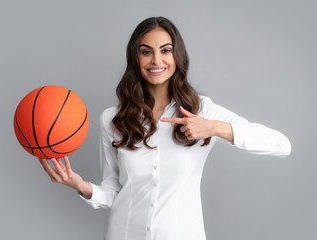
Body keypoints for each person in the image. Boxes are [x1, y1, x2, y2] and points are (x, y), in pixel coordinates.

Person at [38, 16, 291, 240]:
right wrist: (82, 186)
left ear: (176, 56)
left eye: (165, 50)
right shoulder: (112, 119)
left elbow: (281, 145)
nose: (156, 60)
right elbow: (116, 193)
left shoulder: (202, 111)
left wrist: (214, 127)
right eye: (146, 51)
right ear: (135, 58)